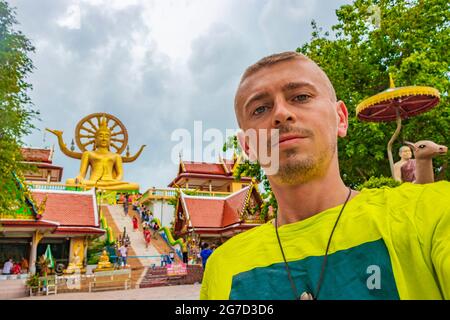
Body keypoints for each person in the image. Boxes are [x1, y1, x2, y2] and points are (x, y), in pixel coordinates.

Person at [200, 52, 450, 300]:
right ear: (247, 147)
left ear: (341, 119)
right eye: (260, 109)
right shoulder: (224, 267)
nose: (281, 113)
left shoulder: (430, 212)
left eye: (301, 97)